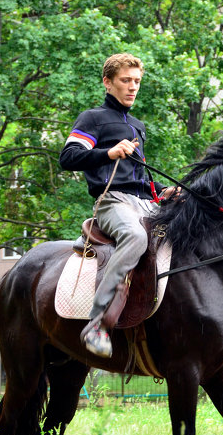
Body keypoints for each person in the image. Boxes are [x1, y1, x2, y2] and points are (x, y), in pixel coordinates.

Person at [59, 53, 175, 358]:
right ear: (108, 82)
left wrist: (166, 191)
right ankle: (97, 323)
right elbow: (68, 157)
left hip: (145, 203)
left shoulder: (137, 126)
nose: (133, 87)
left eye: (137, 81)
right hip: (112, 202)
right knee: (136, 237)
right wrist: (108, 153)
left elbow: (139, 178)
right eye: (126, 80)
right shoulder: (92, 118)